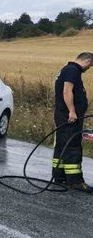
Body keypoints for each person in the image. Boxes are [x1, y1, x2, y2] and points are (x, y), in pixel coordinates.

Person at [52, 52, 93, 193]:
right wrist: (72, 111)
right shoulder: (73, 70)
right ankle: (75, 181)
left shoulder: (67, 69)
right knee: (72, 146)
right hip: (68, 116)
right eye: (91, 65)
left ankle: (59, 176)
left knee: (62, 145)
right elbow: (67, 90)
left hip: (63, 114)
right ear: (87, 61)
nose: (89, 68)